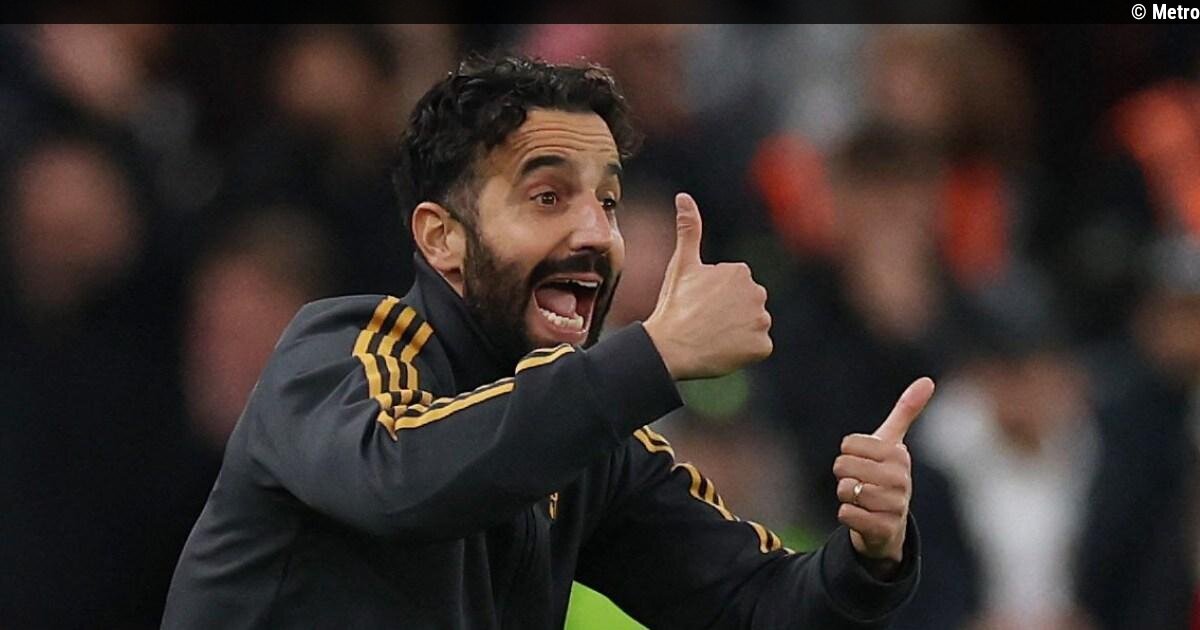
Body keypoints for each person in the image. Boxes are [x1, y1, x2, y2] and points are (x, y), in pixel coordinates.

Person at [163, 54, 930, 629]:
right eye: (548, 196)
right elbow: (404, 481)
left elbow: (758, 604)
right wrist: (652, 358)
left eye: (609, 202)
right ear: (442, 238)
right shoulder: (337, 354)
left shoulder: (590, 442)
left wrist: (869, 556)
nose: (595, 233)